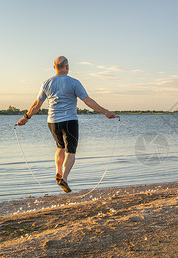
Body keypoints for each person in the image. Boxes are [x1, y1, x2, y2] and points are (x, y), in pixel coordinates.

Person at [17, 56, 116, 193]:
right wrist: (105, 112)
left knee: (60, 148)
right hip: (69, 121)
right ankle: (64, 178)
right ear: (67, 67)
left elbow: (37, 104)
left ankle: (58, 172)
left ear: (54, 67)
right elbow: (87, 101)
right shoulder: (74, 82)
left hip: (52, 122)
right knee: (71, 152)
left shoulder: (46, 83)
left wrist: (25, 117)